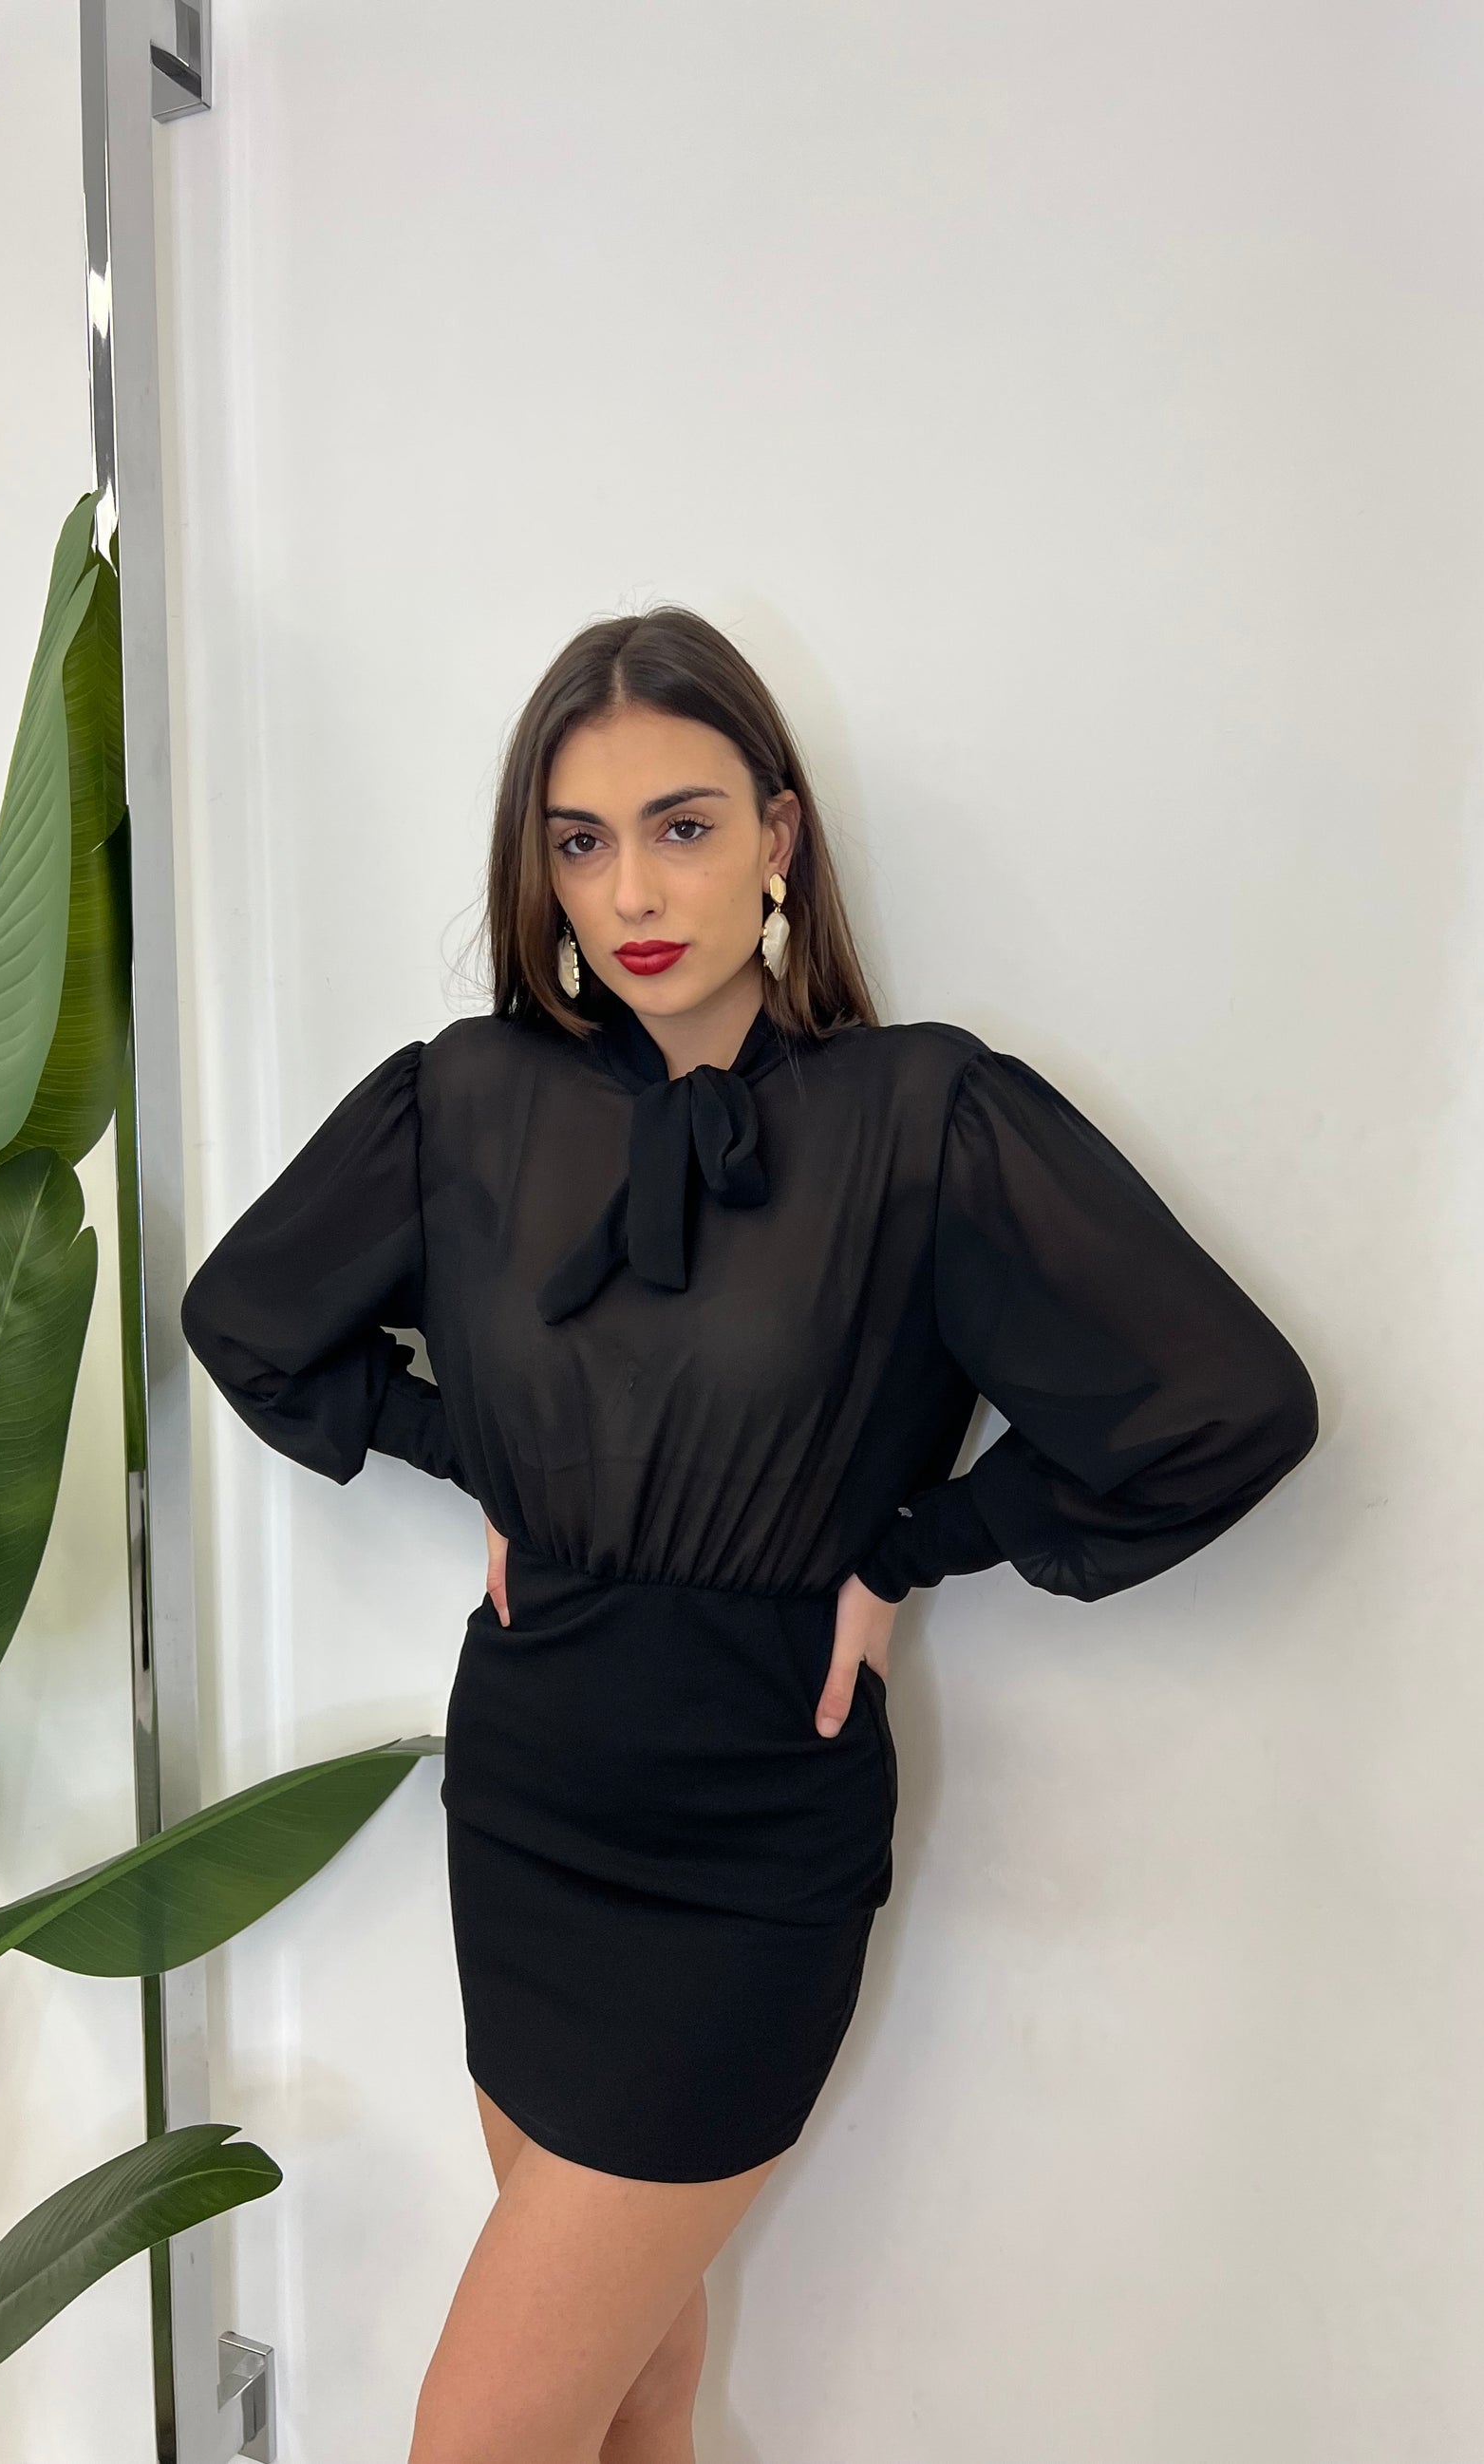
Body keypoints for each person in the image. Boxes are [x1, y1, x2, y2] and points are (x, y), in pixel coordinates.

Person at [178, 606, 1321, 2464]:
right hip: (528, 1798)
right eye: (581, 839)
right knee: (634, 2384)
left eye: (684, 825)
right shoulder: (466, 1101)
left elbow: (1222, 1398)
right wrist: (482, 1460)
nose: (633, 888)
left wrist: (910, 1545)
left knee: (479, 2435)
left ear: (778, 834)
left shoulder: (924, 1115)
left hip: (748, 1844)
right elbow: (248, 1317)